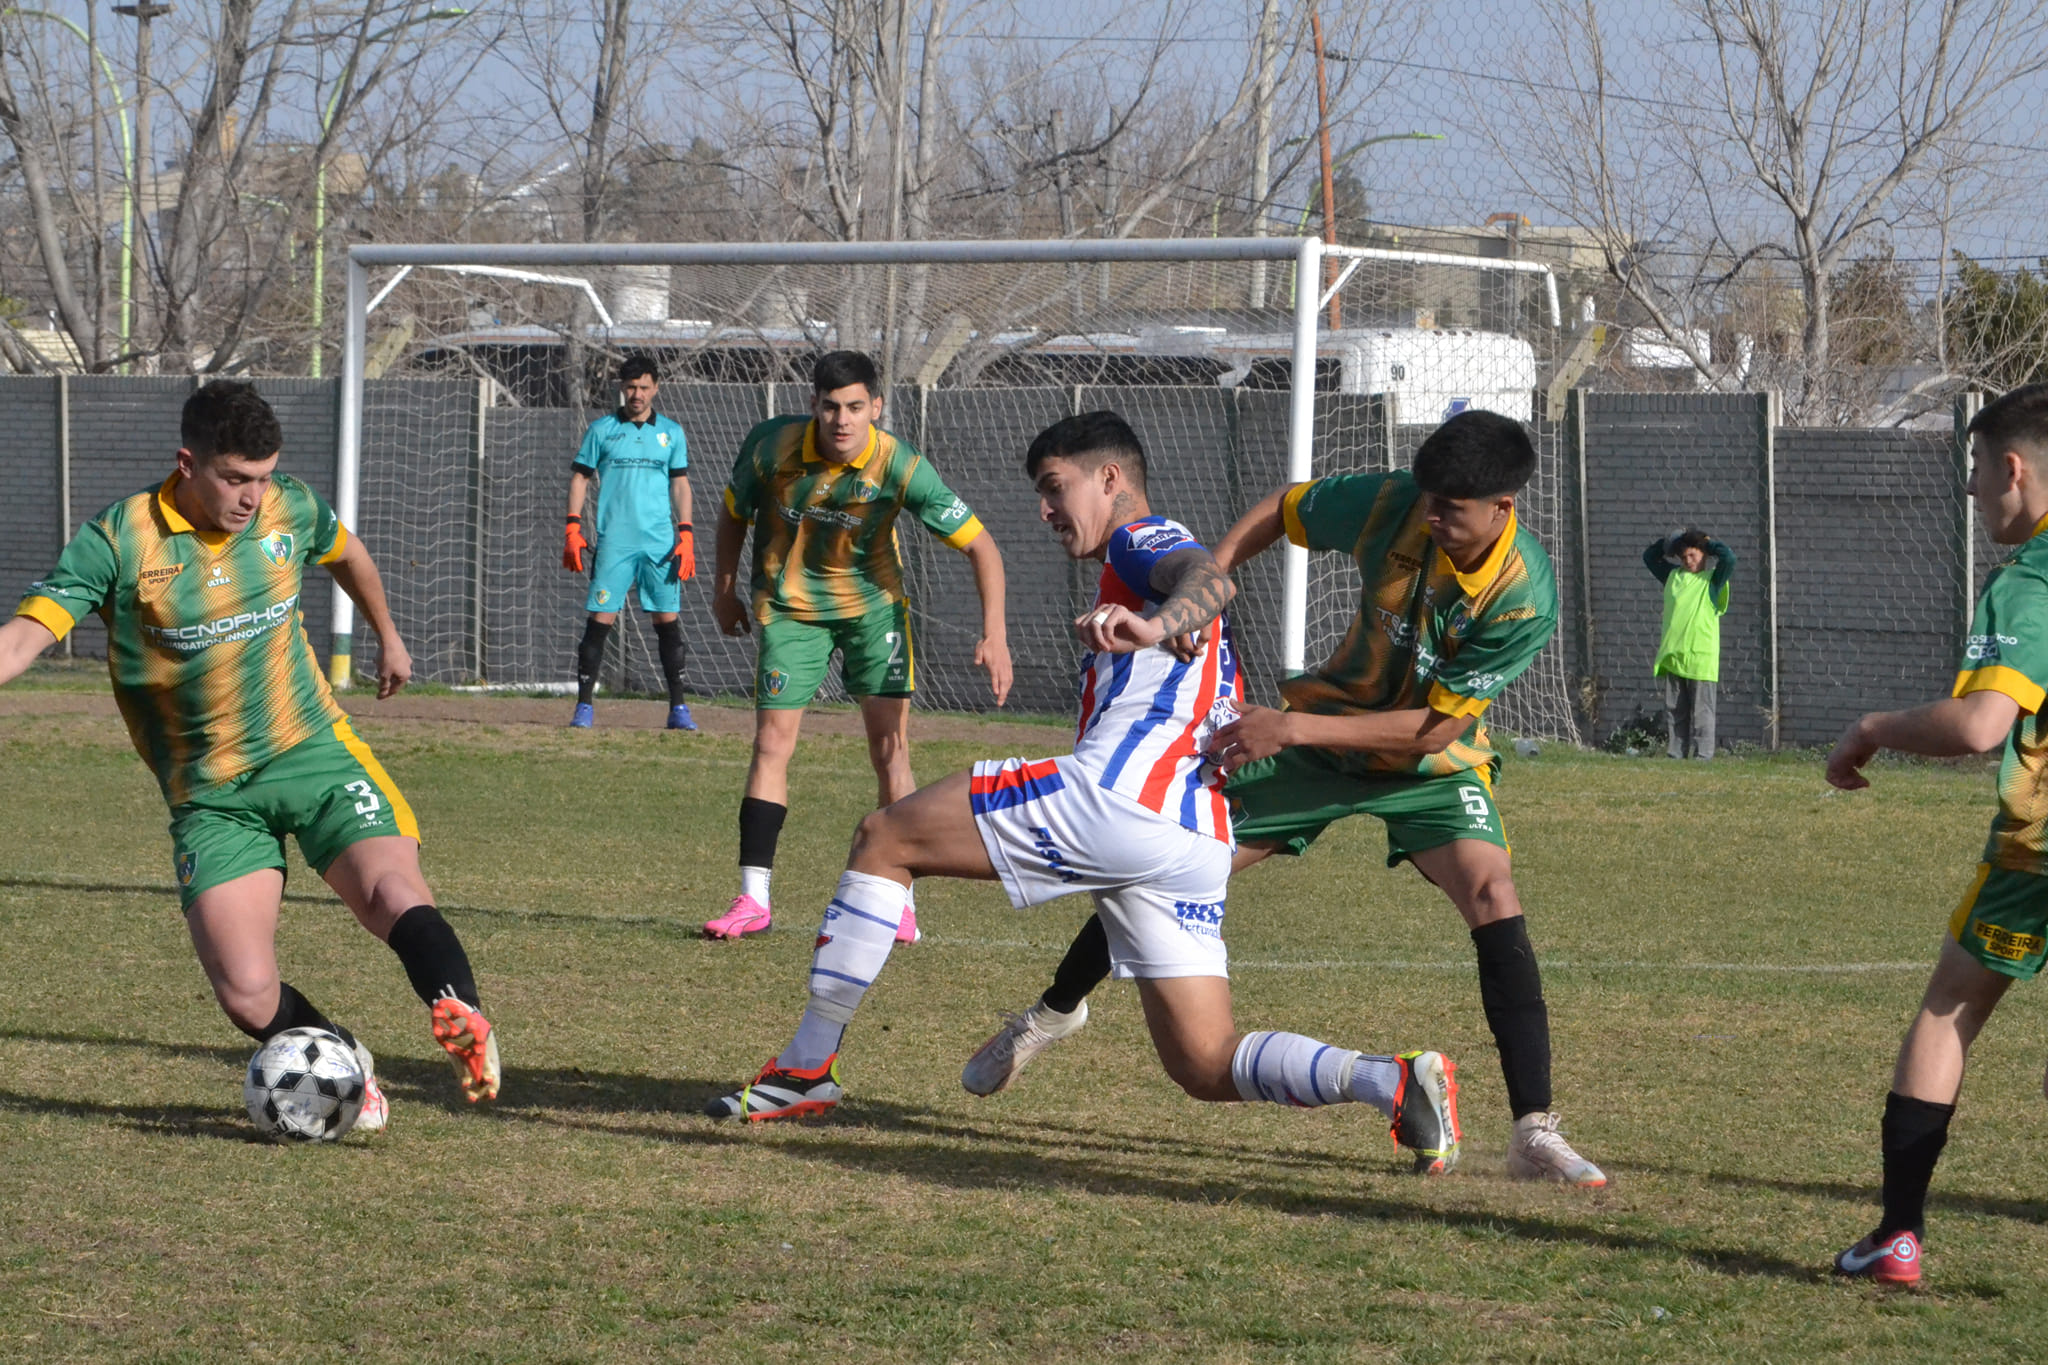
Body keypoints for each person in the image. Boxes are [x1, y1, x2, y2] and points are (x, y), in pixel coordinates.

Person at [703, 410, 1463, 1170]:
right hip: (1192, 837)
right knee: (1203, 1062)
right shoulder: (1123, 569)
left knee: (885, 836)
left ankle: (804, 1068)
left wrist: (1158, 621)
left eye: (1053, 486)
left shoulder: (1144, 537)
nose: (1044, 509)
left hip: (1117, 800)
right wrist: (1157, 622)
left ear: (1110, 479)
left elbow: (1205, 577)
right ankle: (1390, 1080)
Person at [961, 410, 1606, 1186]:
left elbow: (1434, 731)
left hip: (1419, 762)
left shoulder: (1523, 596)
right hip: (1323, 738)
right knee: (1177, 850)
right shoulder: (1393, 501)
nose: (1430, 519)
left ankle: (1533, 1131)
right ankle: (1054, 1010)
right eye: (1428, 501)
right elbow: (1284, 508)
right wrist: (1215, 579)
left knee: (1493, 891)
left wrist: (1290, 729)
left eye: (1451, 511)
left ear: (1503, 507)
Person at [0, 380, 501, 1130]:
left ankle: (460, 1008)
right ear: (188, 463)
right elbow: (22, 639)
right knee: (245, 991)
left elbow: (348, 552)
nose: (252, 496)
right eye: (235, 478)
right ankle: (342, 1065)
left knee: (391, 891)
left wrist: (388, 634)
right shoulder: (118, 539)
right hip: (210, 793)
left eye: (263, 477)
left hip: (313, 751)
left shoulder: (287, 506)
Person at [1827, 382, 2048, 1287]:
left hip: (2036, 857)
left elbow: (1978, 726)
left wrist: (1874, 726)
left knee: (1951, 1005)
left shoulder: (2031, 579)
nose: (1969, 490)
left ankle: (1898, 1236)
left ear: (2012, 466)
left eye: (1972, 468)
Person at [706, 349, 1011, 945]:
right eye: (829, 407)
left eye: (854, 407)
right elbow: (732, 515)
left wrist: (994, 633)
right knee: (771, 743)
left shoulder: (900, 465)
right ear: (812, 406)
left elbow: (983, 547)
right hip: (792, 613)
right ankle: (753, 898)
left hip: (875, 615)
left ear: (876, 406)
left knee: (890, 749)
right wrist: (722, 590)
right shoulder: (771, 447)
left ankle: (899, 902)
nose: (841, 420)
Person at [563, 353, 697, 731]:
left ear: (655, 387)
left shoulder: (671, 432)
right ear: (622, 389)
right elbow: (579, 478)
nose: (636, 394)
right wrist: (573, 527)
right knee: (599, 622)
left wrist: (685, 532)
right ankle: (584, 708)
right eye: (630, 387)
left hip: (659, 545)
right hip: (614, 544)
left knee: (667, 624)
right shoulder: (602, 430)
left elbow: (680, 483)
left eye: (643, 387)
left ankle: (679, 708)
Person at [1642, 528, 1734, 759]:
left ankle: (1703, 755)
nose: (1688, 561)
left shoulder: (1713, 580)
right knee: (1675, 710)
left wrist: (1707, 543)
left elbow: (1729, 557)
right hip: (1674, 655)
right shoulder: (1673, 577)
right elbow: (1649, 558)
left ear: (1704, 555)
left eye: (1693, 555)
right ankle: (1676, 753)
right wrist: (1667, 542)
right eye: (1683, 557)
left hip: (1701, 657)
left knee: (1703, 712)